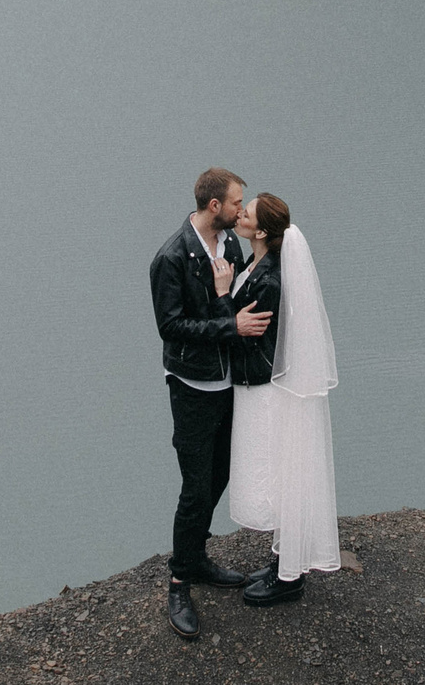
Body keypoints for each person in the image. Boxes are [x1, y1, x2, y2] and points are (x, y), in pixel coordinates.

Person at [148, 167, 272, 639]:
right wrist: (230, 326)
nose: (243, 209)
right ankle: (180, 580)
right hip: (193, 387)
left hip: (228, 385)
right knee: (196, 486)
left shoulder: (232, 246)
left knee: (221, 473)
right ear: (214, 205)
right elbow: (171, 327)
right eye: (237, 202)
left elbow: (233, 304)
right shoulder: (171, 257)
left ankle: (197, 557)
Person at [225, 191, 340, 606]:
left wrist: (223, 297)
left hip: (265, 392)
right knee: (277, 474)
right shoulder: (256, 263)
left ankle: (290, 577)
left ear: (261, 230)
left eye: (247, 213)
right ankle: (282, 560)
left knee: (283, 476)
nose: (239, 214)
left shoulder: (270, 279)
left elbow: (249, 334)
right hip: (257, 390)